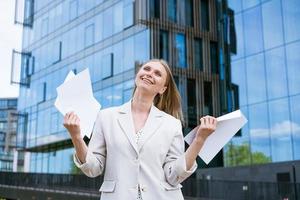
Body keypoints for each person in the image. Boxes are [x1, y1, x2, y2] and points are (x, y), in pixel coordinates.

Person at [63, 59, 217, 200]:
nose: (150, 74)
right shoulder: (106, 117)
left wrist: (199, 140)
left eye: (157, 73)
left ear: (163, 89)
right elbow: (93, 168)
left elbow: (173, 176)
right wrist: (76, 136)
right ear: (138, 75)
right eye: (147, 69)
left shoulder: (172, 124)